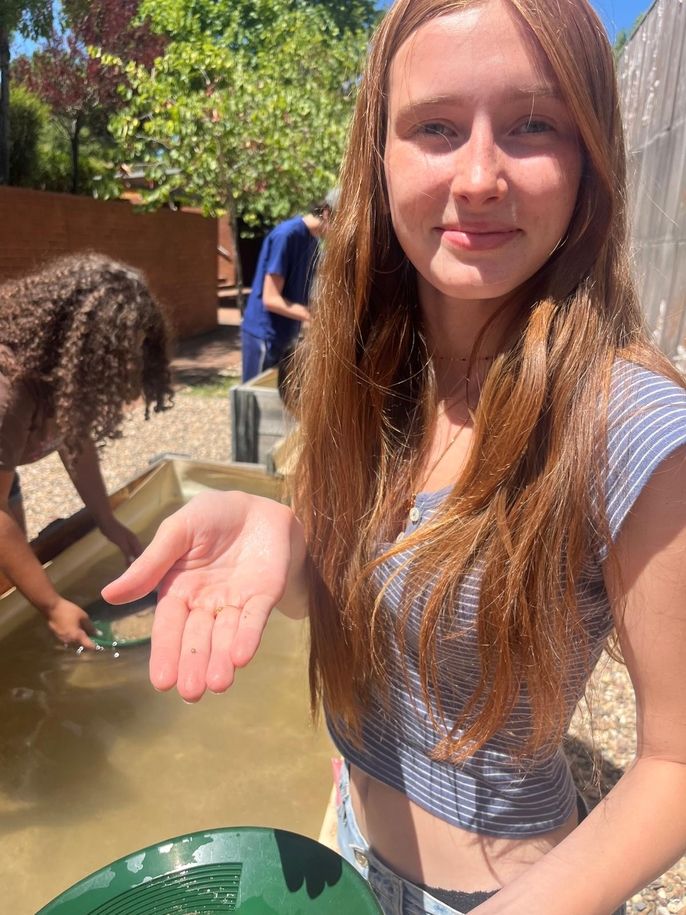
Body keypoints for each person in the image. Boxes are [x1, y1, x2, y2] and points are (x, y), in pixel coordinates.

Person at [103, 1, 686, 913]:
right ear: (380, 153)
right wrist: (284, 535)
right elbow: (380, 616)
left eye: (534, 124)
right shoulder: (368, 371)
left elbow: (675, 760)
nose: (481, 174)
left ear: (592, 156)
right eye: (437, 127)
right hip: (347, 843)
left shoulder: (627, 421)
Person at [0, 253, 173, 650]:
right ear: (80, 345)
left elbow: (74, 441)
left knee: (12, 572)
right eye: (118, 357)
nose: (126, 370)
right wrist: (53, 606)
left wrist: (107, 520)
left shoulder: (60, 375)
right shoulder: (9, 389)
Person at [239, 195, 334, 382]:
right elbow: (271, 299)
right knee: (254, 400)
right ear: (326, 213)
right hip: (264, 336)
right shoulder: (286, 235)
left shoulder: (313, 242)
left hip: (285, 335)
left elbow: (303, 293)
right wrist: (312, 317)